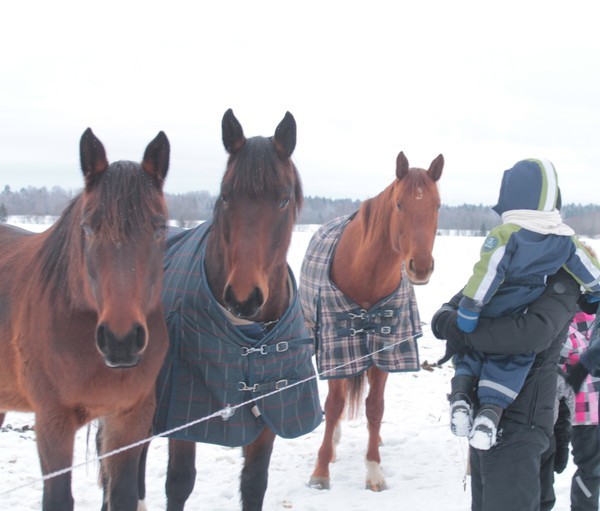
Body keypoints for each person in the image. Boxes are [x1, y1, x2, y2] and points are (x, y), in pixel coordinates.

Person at [449, 158, 600, 450]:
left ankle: (461, 397)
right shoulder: (563, 241)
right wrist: (595, 291)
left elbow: (487, 272)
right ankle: (491, 414)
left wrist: (469, 309)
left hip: (492, 302)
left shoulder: (506, 235)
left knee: (470, 349)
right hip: (525, 304)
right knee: (513, 359)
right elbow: (586, 266)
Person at [432, 268, 581, 511]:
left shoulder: (561, 280)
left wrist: (465, 331)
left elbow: (530, 335)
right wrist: (454, 323)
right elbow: (444, 314)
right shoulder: (501, 270)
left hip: (521, 425)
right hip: (485, 421)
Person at [562, 307, 600, 511]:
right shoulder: (562, 326)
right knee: (591, 470)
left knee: (591, 470)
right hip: (582, 415)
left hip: (584, 412)